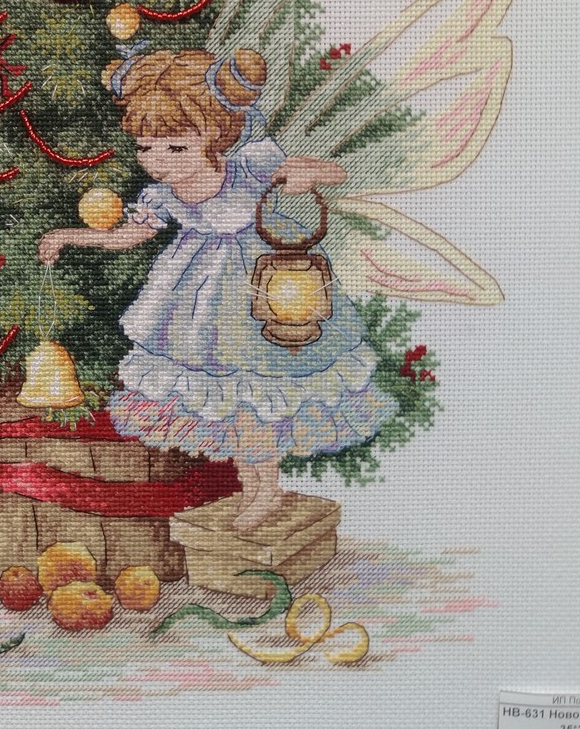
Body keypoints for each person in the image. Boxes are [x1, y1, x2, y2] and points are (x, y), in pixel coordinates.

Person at [38, 47, 397, 533]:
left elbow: (332, 173)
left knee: (257, 390)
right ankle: (255, 489)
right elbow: (126, 237)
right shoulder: (161, 194)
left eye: (174, 149)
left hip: (260, 288)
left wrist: (307, 174)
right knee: (227, 398)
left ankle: (266, 490)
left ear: (213, 135)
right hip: (191, 303)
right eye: (145, 148)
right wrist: (69, 236)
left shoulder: (247, 166)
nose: (157, 163)